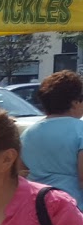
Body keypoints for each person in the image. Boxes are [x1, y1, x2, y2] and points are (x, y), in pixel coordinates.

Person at [20, 70, 83, 203]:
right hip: (72, 207)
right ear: (74, 102)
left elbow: (20, 174)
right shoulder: (80, 130)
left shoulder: (28, 134)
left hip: (36, 205)